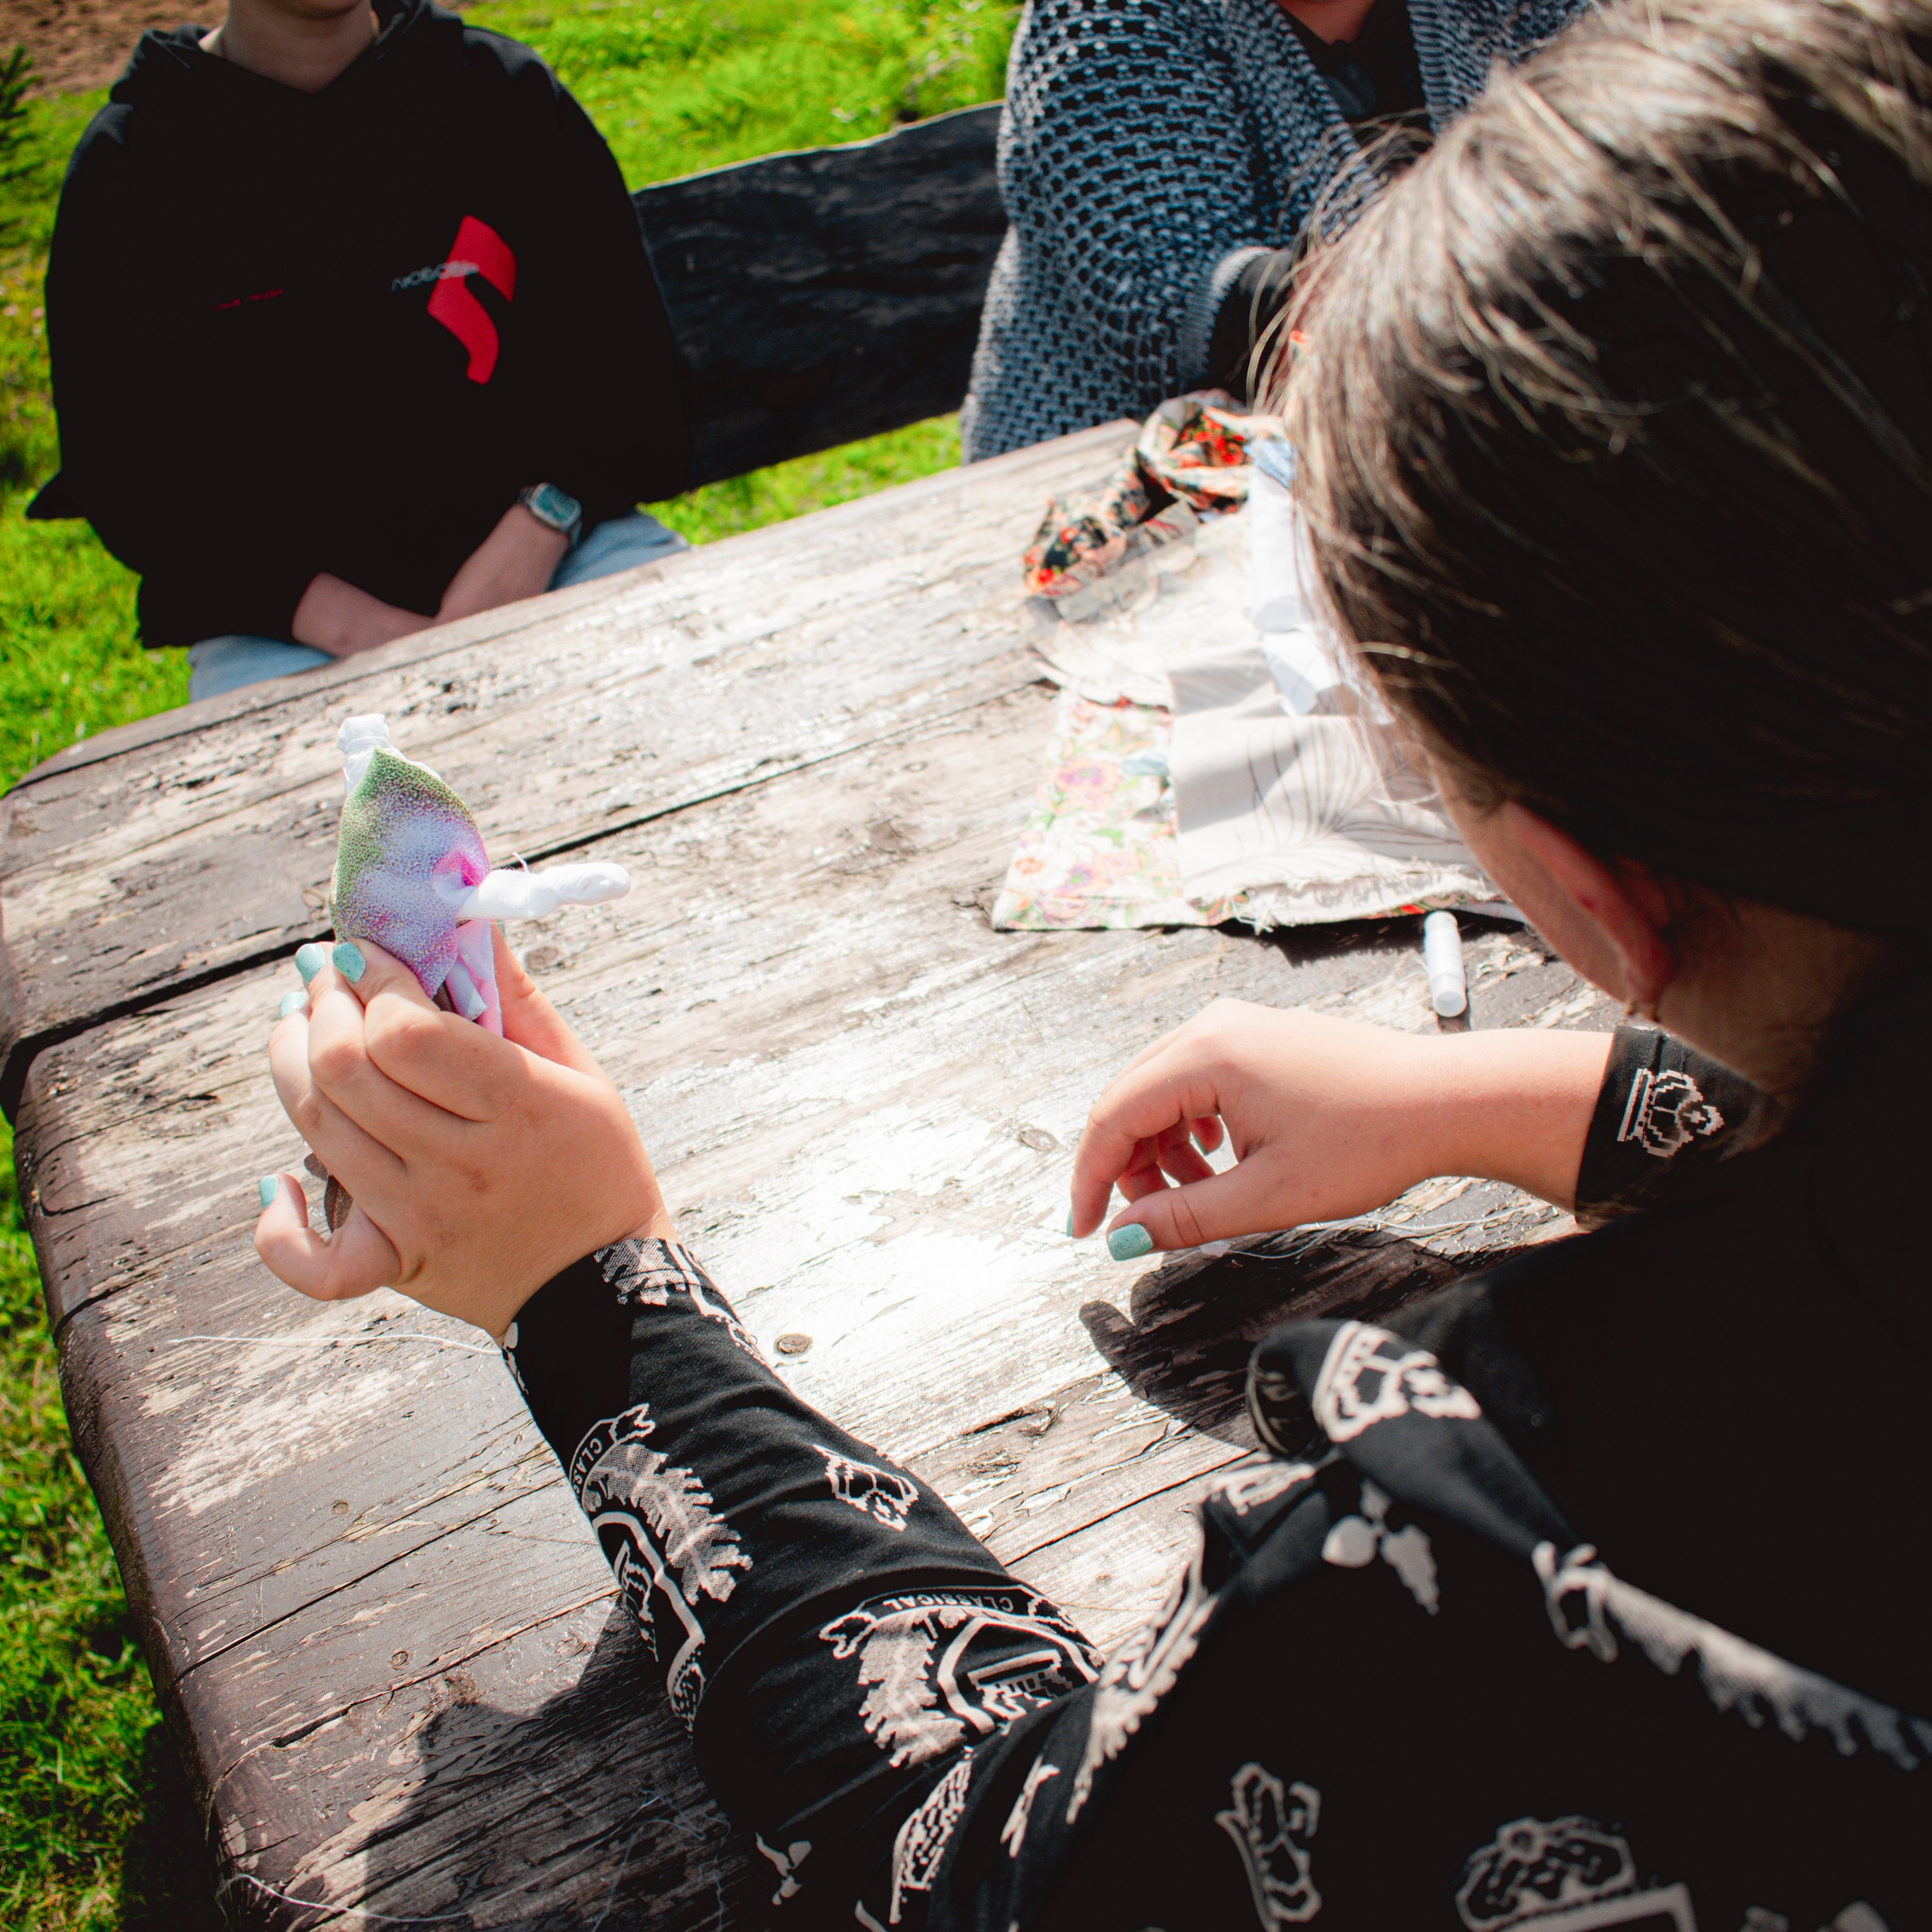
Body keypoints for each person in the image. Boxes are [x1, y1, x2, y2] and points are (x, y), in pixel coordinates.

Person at [255, 0, 1930, 1923]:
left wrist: (586, 1287)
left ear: (1581, 887)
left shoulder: (1512, 1567)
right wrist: (1512, 1093)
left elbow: (975, 1857)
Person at [31, 0, 691, 703]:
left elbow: (628, 376)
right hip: (284, 637)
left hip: (570, 550)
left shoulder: (499, 93)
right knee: (327, 812)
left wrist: (540, 529)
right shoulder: (132, 168)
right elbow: (135, 485)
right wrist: (364, 633)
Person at [958, 0, 1595, 461]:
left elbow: (1617, 154)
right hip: (1129, 504)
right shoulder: (1104, 21)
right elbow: (1176, 316)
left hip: (1449, 445)